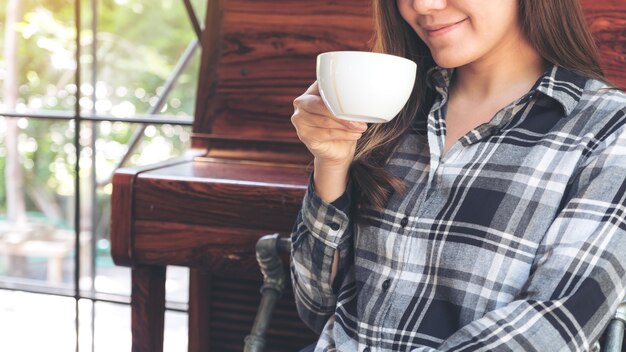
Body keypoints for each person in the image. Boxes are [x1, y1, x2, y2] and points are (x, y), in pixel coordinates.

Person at [290, 0, 626, 351]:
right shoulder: (387, 108)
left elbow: (552, 328)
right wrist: (331, 163)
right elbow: (317, 307)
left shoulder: (610, 131)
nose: (421, 5)